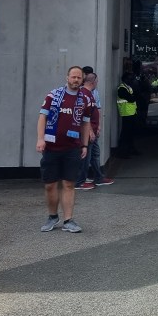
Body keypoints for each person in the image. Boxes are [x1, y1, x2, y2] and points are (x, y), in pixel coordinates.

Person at [37, 65, 94, 233]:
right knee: (50, 185)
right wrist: (40, 139)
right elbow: (42, 117)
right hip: (51, 147)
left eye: (79, 77)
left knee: (69, 184)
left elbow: (85, 123)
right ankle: (52, 217)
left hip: (72, 148)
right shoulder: (53, 95)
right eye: (73, 77)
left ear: (82, 80)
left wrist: (84, 145)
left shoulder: (85, 100)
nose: (76, 80)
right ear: (67, 78)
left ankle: (68, 220)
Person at [76, 71, 114, 190]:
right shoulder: (83, 95)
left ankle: (98, 177)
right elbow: (83, 116)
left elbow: (94, 111)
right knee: (85, 156)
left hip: (93, 130)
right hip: (88, 132)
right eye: (97, 81)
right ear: (93, 82)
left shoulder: (90, 94)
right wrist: (90, 131)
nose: (97, 83)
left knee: (94, 155)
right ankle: (79, 181)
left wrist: (97, 127)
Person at [115, 65, 138, 158]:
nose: (131, 80)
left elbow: (134, 97)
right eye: (129, 79)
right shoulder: (122, 88)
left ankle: (130, 149)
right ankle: (123, 152)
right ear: (125, 79)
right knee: (125, 133)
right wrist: (133, 97)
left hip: (131, 112)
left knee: (130, 133)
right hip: (126, 113)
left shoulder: (128, 87)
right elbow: (131, 98)